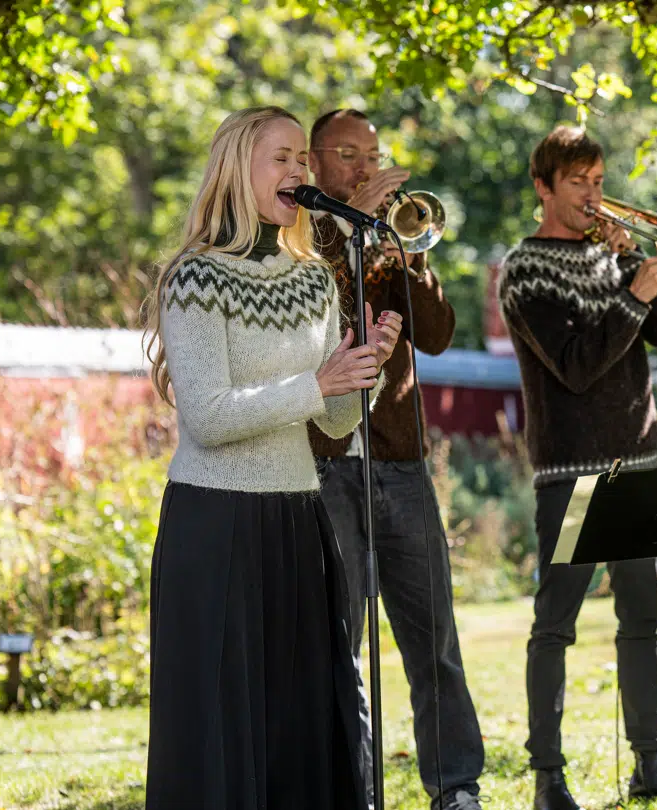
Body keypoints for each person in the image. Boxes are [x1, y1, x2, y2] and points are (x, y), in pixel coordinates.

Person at [141, 105, 402, 809]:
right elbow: (210, 417)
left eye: (301, 160)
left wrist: (360, 371)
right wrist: (315, 381)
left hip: (297, 522)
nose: (297, 171)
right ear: (236, 168)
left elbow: (336, 421)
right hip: (215, 527)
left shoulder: (315, 279)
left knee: (302, 722)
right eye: (280, 157)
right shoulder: (195, 279)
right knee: (222, 730)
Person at [498, 124, 657, 810]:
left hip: (640, 462)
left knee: (643, 617)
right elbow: (579, 368)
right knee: (556, 622)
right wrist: (633, 292)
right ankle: (548, 780)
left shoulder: (613, 258)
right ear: (543, 187)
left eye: (598, 181)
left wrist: (642, 271)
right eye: (578, 182)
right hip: (572, 471)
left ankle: (651, 764)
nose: (593, 196)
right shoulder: (525, 268)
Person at [305, 107, 485, 810]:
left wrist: (411, 257)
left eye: (372, 155)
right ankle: (352, 787)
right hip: (323, 458)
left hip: (399, 459)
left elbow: (436, 335)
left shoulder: (391, 235)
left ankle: (456, 787)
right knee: (339, 638)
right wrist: (346, 228)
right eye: (347, 155)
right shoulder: (299, 240)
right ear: (315, 163)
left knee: (432, 632)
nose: (364, 169)